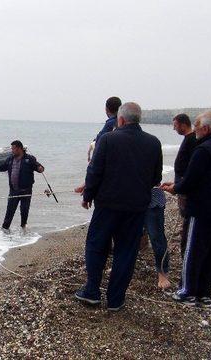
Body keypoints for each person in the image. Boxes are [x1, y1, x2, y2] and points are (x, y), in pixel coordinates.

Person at [75, 102, 163, 311]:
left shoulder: (108, 139)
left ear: (120, 120)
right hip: (136, 207)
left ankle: (92, 291)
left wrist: (88, 195)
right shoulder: (153, 142)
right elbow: (156, 177)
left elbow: (95, 171)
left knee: (97, 246)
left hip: (108, 205)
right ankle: (115, 299)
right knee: (126, 251)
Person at [162, 112, 211, 307]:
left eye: (197, 126)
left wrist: (176, 188)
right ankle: (205, 293)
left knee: (194, 250)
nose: (194, 129)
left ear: (205, 128)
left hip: (204, 209)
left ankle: (187, 292)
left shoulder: (204, 149)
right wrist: (179, 185)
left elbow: (191, 180)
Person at [0, 140, 44, 230]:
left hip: (26, 190)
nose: (12, 150)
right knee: (9, 211)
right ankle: (4, 230)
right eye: (12, 149)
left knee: (24, 211)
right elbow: (2, 167)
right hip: (13, 190)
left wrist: (40, 169)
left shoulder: (29, 159)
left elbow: (38, 167)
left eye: (13, 148)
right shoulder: (10, 159)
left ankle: (23, 228)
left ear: (19, 148)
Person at [171, 113, 197, 259]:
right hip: (181, 183)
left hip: (185, 186)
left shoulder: (192, 139)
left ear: (182, 124)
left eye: (175, 125)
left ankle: (186, 249)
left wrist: (181, 185)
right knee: (184, 215)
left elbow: (191, 166)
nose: (174, 129)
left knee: (187, 215)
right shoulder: (188, 139)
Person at [144, 187, 170, 289]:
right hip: (131, 198)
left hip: (153, 198)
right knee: (126, 236)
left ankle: (163, 272)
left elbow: (156, 175)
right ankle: (122, 267)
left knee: (156, 237)